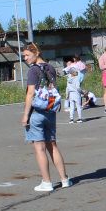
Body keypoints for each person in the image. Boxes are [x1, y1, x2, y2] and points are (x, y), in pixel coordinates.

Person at [21, 42, 71, 193]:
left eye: (27, 55)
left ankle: (47, 182)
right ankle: (64, 179)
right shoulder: (50, 67)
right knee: (53, 145)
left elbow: (30, 93)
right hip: (50, 111)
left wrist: (25, 115)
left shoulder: (33, 71)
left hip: (37, 113)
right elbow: (53, 88)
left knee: (40, 148)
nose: (25, 58)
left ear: (36, 53)